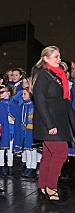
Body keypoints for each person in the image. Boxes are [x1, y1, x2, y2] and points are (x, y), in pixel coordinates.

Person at [33, 46, 75, 205]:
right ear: (46, 58)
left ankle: (43, 185)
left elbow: (65, 103)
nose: (59, 59)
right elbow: (40, 102)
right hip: (49, 124)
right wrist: (50, 124)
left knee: (49, 155)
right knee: (61, 154)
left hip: (58, 122)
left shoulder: (57, 76)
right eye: (56, 56)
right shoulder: (43, 75)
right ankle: (51, 187)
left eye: (59, 56)